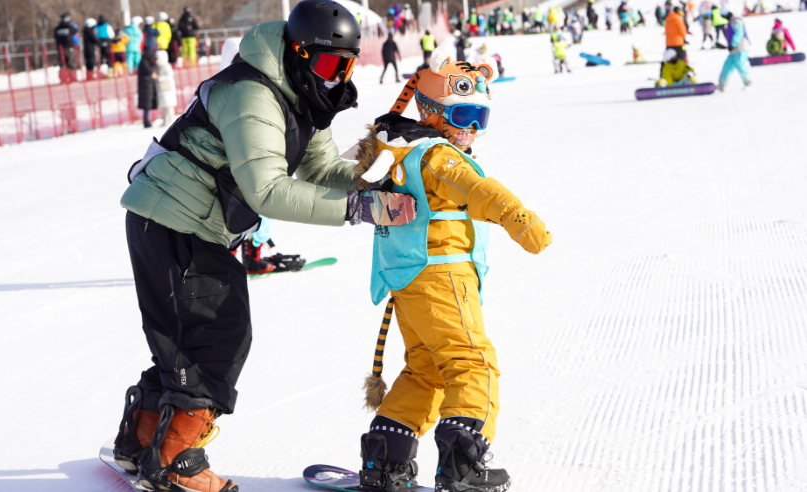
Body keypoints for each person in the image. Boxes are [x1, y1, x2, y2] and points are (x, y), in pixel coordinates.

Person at [111, 2, 417, 492]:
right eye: (326, 65)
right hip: (170, 219)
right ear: (297, 54)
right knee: (218, 335)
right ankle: (174, 459)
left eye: (347, 65)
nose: (336, 77)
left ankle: (144, 439)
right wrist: (358, 210)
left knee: (189, 335)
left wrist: (378, 178)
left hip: (185, 220)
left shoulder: (303, 92)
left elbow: (319, 170)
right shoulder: (253, 94)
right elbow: (268, 190)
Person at [350, 46, 551, 492]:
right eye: (463, 117)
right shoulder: (439, 156)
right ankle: (463, 464)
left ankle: (386, 457)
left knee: (427, 369)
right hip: (443, 275)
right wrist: (522, 221)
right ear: (433, 111)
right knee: (471, 362)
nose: (472, 130)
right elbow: (478, 189)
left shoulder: (402, 150)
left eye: (482, 118)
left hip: (408, 281)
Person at [719, 12, 752, 90]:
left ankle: (748, 83)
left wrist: (733, 44)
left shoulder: (736, 21)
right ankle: (722, 85)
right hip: (734, 49)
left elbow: (739, 32)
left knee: (740, 64)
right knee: (727, 66)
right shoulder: (730, 23)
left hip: (740, 47)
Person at [155, 51, 177, 126]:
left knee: (169, 107)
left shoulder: (166, 66)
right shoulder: (160, 67)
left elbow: (169, 76)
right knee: (165, 107)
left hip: (168, 90)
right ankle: (165, 121)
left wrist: (159, 78)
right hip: (163, 90)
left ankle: (170, 120)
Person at [136, 52, 157, 128]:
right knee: (146, 106)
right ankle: (146, 122)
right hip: (145, 88)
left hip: (146, 87)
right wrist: (154, 65)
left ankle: (147, 121)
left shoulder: (144, 62)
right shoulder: (144, 63)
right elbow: (148, 71)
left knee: (147, 106)